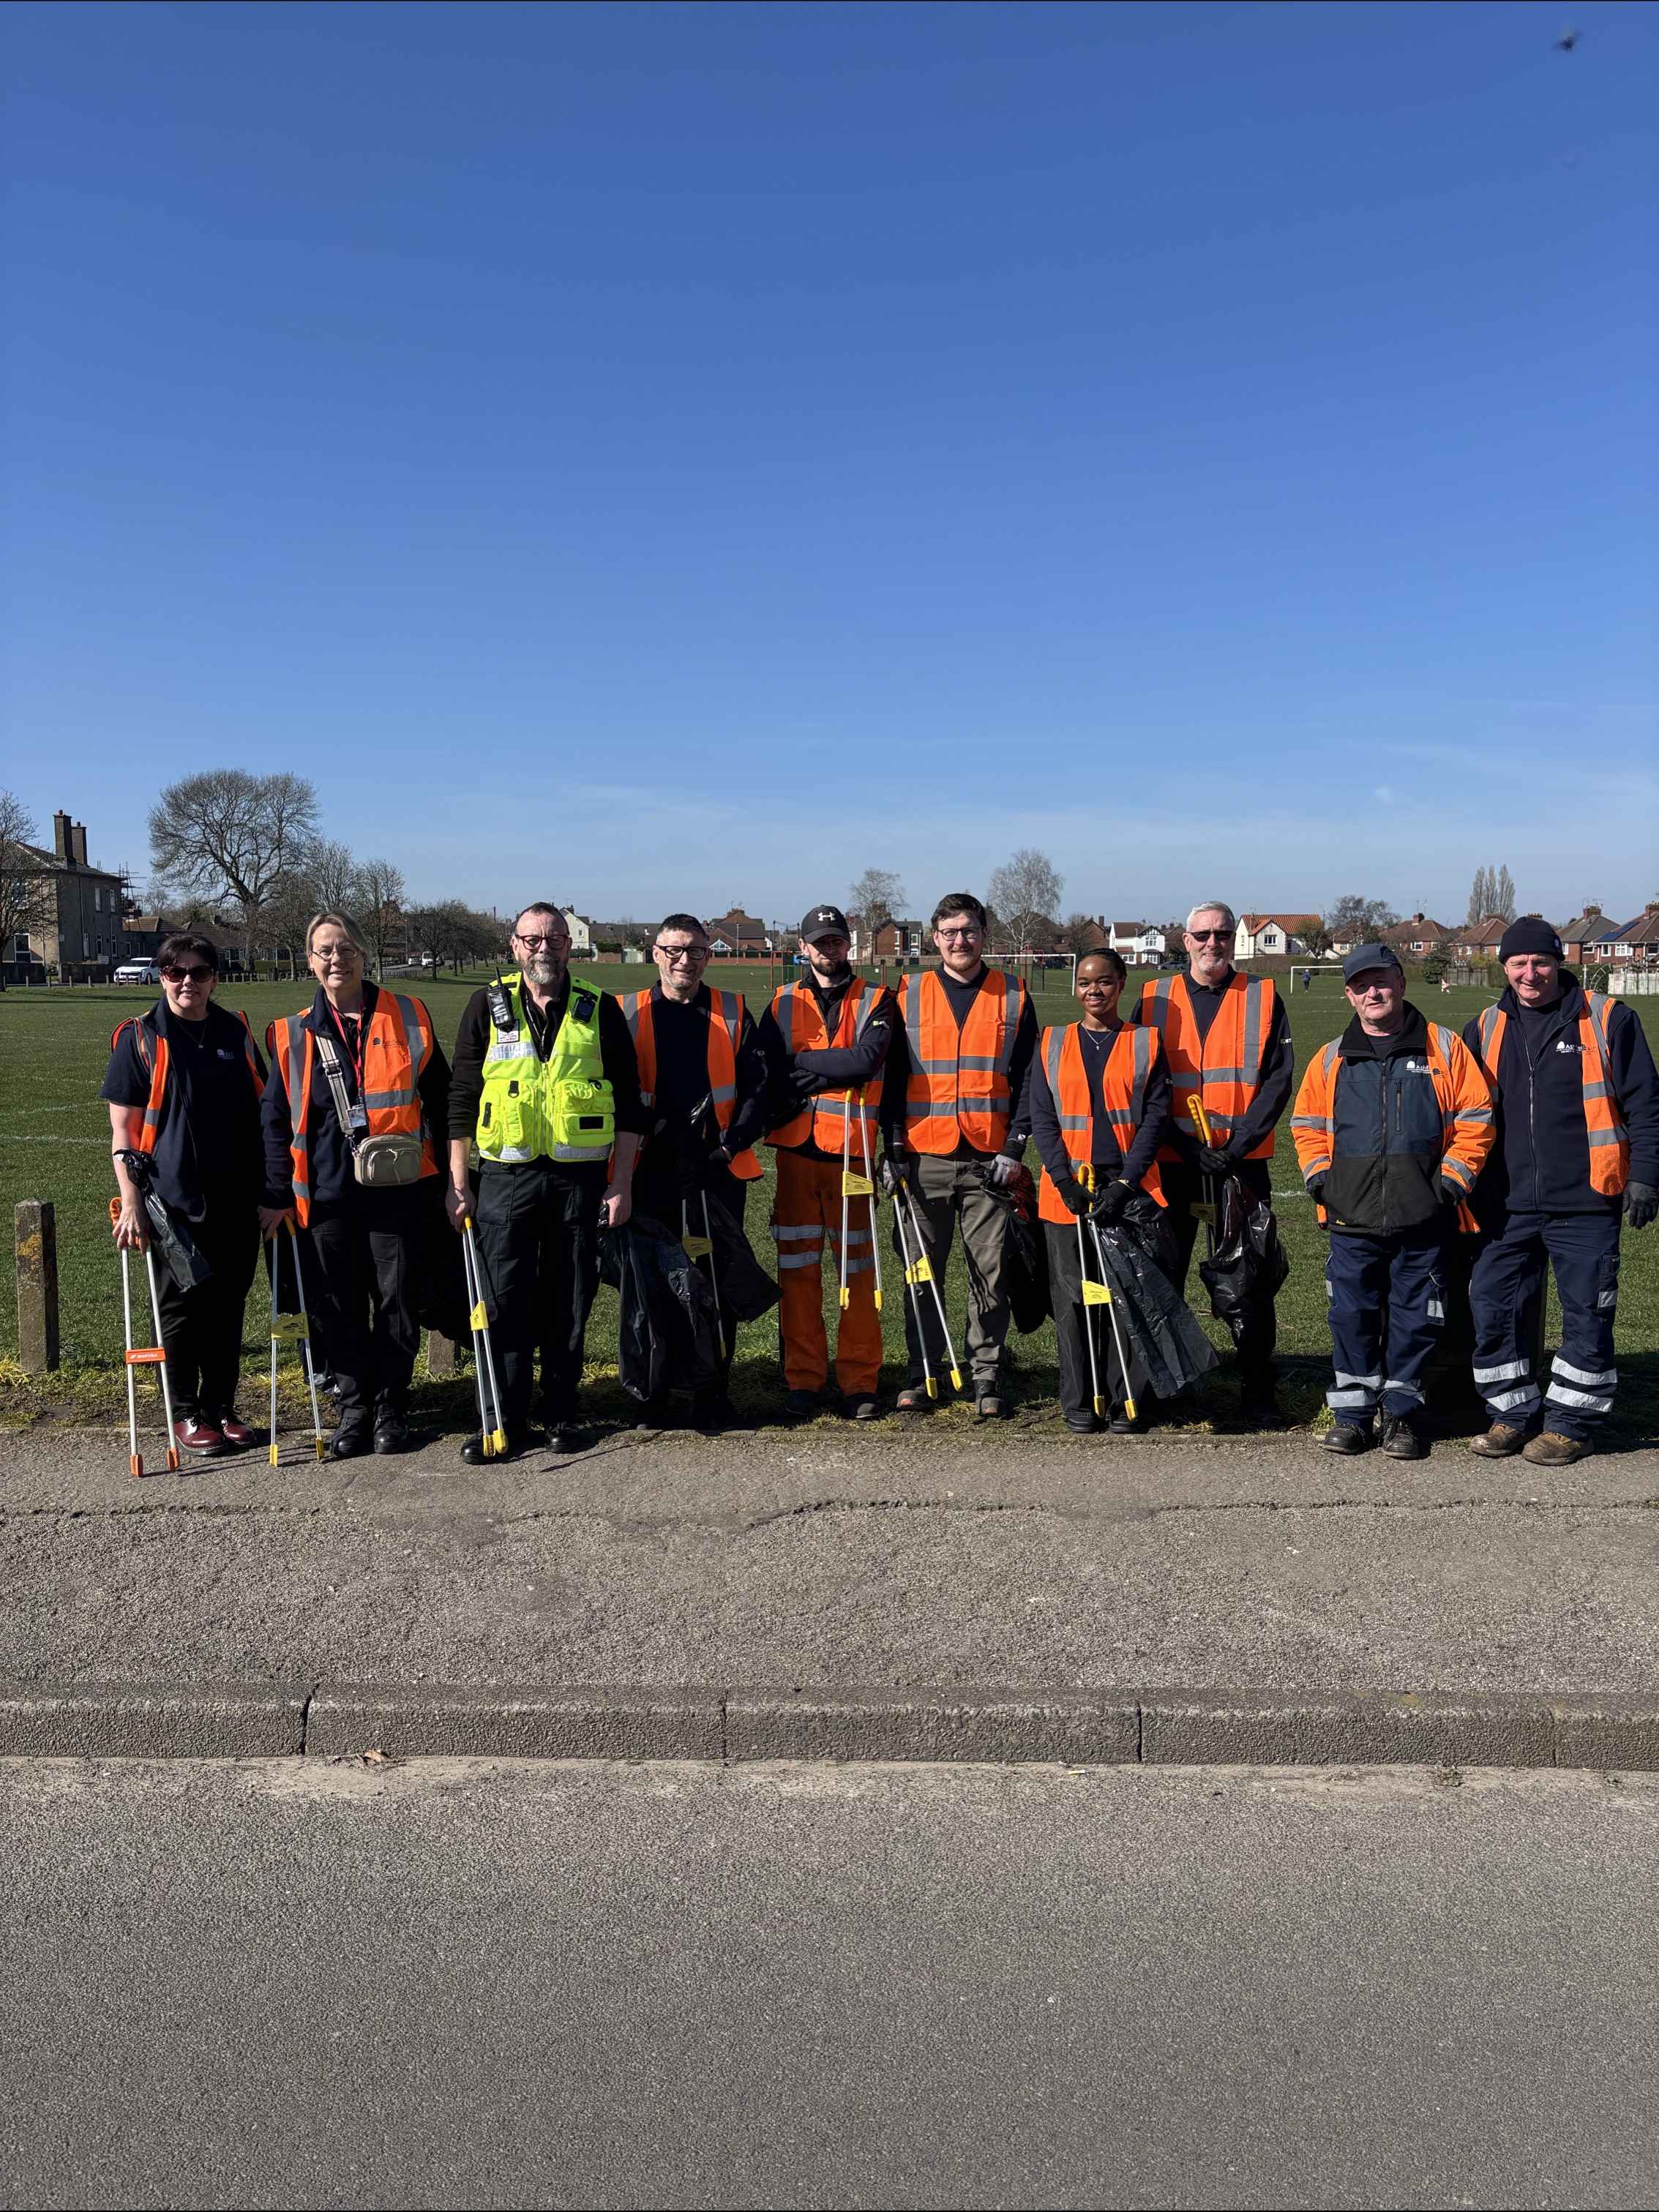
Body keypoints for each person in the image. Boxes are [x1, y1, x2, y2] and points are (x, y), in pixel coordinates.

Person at [447, 902, 646, 1461]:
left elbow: (630, 1103)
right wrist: (458, 1183)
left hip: (577, 1181)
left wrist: (621, 1183)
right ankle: (502, 1419)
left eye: (555, 938)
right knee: (502, 1302)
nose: (544, 948)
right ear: (514, 945)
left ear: (568, 945)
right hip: (503, 1178)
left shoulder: (599, 1007)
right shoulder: (485, 1005)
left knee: (569, 1300)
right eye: (532, 939)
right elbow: (460, 1099)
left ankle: (561, 1411)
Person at [1463, 919, 1659, 1464]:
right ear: (1504, 967)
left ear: (1559, 963)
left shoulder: (1608, 1018)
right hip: (1505, 1205)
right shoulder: (1483, 1027)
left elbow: (1646, 1104)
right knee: (1493, 1307)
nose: (1530, 973)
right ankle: (1511, 1414)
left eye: (1541, 962)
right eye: (1519, 963)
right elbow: (1463, 1111)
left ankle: (1572, 1424)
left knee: (1587, 1315)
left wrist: (1646, 1173)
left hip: (1587, 1201)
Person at [1291, 944, 1494, 1459]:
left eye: (1381, 981)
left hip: (1423, 1218)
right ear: (1349, 995)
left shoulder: (1444, 1047)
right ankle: (1353, 1416)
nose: (1373, 992)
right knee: (1351, 1316)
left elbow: (1476, 1118)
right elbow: (1306, 1126)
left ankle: (1401, 1416)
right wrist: (1322, 1183)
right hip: (1350, 1218)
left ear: (1401, 984)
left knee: (1415, 1320)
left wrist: (1450, 1183)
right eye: (1361, 985)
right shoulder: (1331, 1057)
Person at [262, 912, 449, 1458]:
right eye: (324, 950)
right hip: (326, 1197)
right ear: (309, 960)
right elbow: (275, 1120)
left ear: (365, 954)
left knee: (397, 1302)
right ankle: (354, 1407)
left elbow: (440, 1101)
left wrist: (452, 1179)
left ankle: (391, 1405)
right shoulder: (290, 1032)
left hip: (400, 1190)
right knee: (337, 1306)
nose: (336, 959)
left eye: (346, 948)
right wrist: (277, 1194)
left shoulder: (409, 1015)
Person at [1131, 901, 1295, 1425]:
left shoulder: (1263, 995)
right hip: (1171, 1160)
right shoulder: (1153, 997)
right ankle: (1159, 1387)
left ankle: (1257, 1388)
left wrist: (1237, 1146)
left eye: (1222, 933)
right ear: (1185, 940)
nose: (1212, 943)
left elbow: (1278, 1079)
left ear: (1233, 939)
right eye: (1202, 934)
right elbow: (1136, 1079)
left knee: (1249, 1278)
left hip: (1239, 1163)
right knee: (1163, 1274)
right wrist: (1183, 1145)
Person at [102, 933, 266, 1456]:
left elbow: (263, 1111)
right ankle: (185, 1413)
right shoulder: (140, 1037)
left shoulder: (235, 1030)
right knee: (180, 1312)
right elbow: (124, 1133)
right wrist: (131, 1202)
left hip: (236, 1198)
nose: (187, 982)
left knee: (228, 1307)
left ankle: (222, 1407)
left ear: (215, 978)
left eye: (199, 972)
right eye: (176, 972)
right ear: (162, 977)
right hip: (171, 1204)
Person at [880, 893, 1037, 1418]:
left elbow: (1029, 1078)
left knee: (989, 1274)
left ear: (984, 935)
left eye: (968, 930)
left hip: (989, 1160)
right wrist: (892, 1148)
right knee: (921, 1272)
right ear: (934, 938)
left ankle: (986, 1375)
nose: (959, 941)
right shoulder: (907, 992)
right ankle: (923, 1372)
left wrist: (1015, 1146)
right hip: (921, 1157)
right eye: (949, 932)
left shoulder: (1013, 994)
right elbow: (891, 1078)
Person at [620, 912, 767, 1429]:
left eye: (696, 951)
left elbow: (757, 1089)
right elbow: (614, 1088)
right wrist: (662, 1130)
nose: (685, 960)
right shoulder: (626, 1011)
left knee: (716, 1279)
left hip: (716, 1167)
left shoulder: (733, 1010)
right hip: (649, 1165)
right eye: (674, 950)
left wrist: (727, 1148)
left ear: (708, 955)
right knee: (653, 1283)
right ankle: (655, 1391)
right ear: (655, 954)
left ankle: (712, 1389)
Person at [759, 904, 899, 1420]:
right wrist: (831, 1071)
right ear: (803, 948)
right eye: (820, 942)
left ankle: (860, 1381)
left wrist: (801, 1064)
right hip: (796, 1154)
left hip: (852, 1154)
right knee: (797, 1272)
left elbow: (866, 1060)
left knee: (857, 1274)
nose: (829, 950)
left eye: (836, 940)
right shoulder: (781, 1003)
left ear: (848, 944)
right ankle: (803, 1379)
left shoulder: (878, 999)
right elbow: (767, 1071)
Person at [1025, 949, 1172, 1433]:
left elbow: (1155, 1118)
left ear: (1121, 983)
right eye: (1085, 982)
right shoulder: (1052, 1041)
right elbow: (1043, 1117)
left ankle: (1127, 1397)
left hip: (1129, 1189)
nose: (1094, 990)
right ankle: (1081, 1397)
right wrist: (1063, 1179)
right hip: (1068, 1190)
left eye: (1104, 981)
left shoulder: (1145, 1042)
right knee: (1074, 1298)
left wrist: (1127, 1182)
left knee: (1129, 1295)